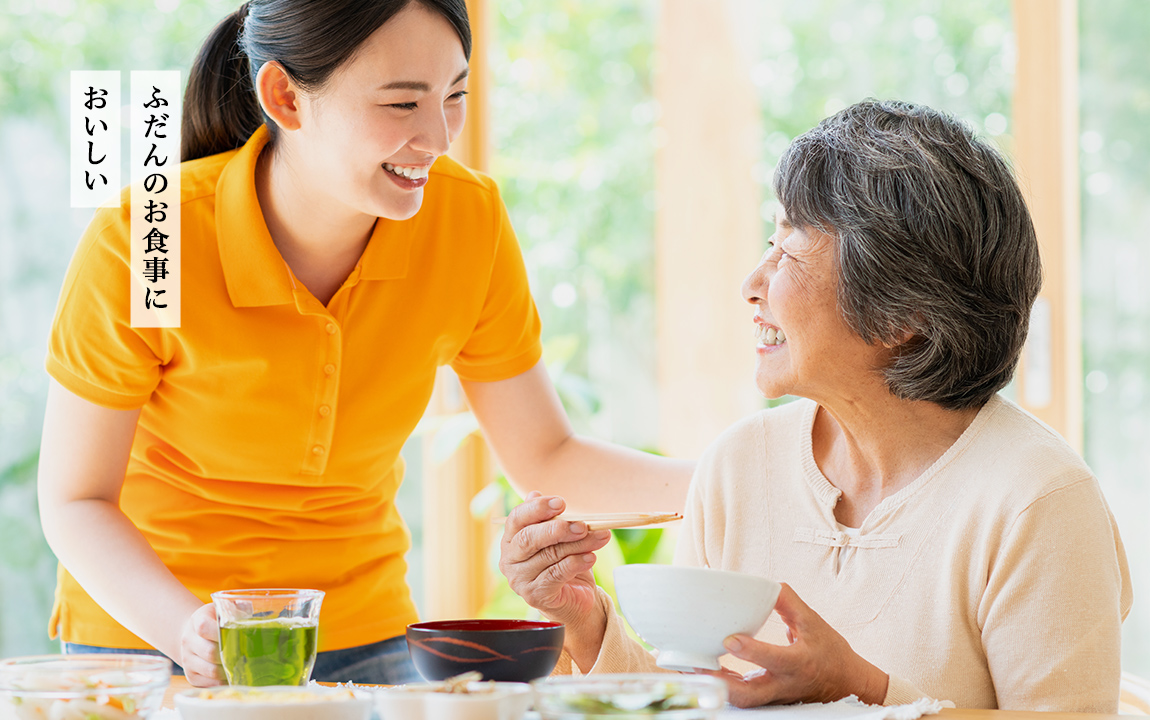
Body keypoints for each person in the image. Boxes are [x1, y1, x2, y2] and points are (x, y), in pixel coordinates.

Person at [37, 0, 692, 688]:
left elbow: (548, 457)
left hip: (363, 638)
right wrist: (188, 629)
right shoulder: (147, 237)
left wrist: (744, 477)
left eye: (455, 95)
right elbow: (76, 499)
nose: (439, 136)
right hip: (147, 638)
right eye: (403, 103)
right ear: (286, 98)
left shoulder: (466, 222)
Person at [499, 100, 1133, 712]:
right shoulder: (739, 467)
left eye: (789, 251)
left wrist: (864, 692)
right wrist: (586, 623)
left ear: (903, 314)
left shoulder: (1037, 500)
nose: (752, 284)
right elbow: (700, 705)